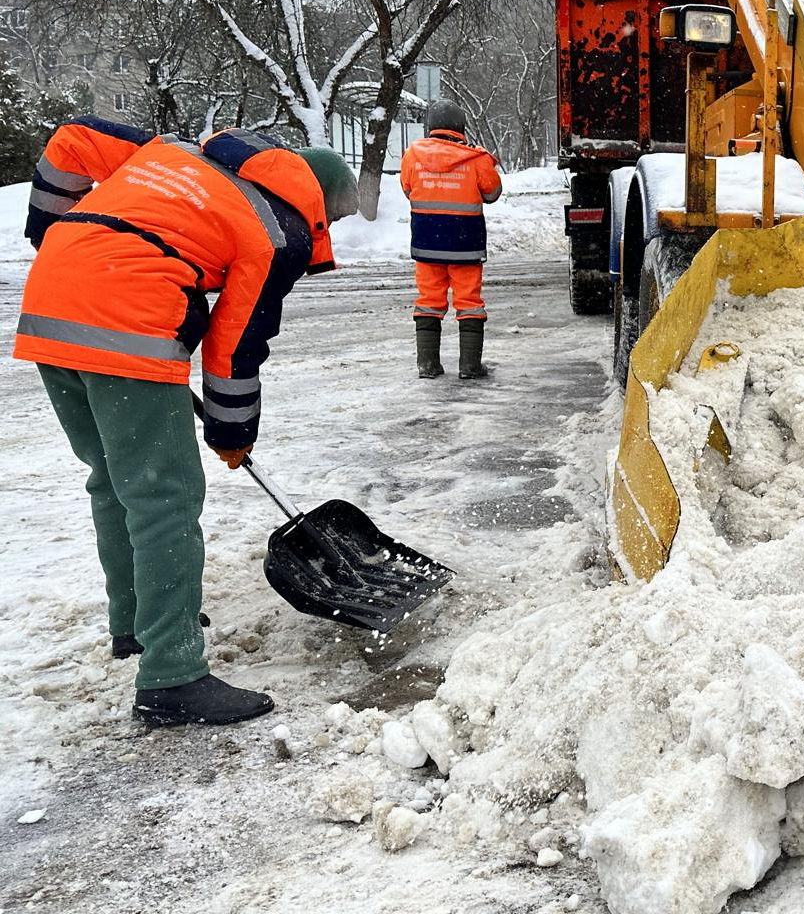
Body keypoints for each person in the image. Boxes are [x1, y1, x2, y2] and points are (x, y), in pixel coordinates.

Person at [15, 119, 357, 725]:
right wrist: (231, 430)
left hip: (49, 305)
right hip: (125, 319)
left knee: (114, 480)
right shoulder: (276, 230)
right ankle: (172, 675)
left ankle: (136, 625)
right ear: (319, 204)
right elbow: (236, 343)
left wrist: (52, 233)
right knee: (164, 499)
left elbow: (71, 139)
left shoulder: (175, 151)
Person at [401, 98, 502, 380]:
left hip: (427, 244)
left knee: (428, 300)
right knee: (469, 302)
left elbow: (408, 189)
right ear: (461, 126)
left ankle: (428, 365)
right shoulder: (476, 158)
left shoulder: (412, 155)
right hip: (465, 245)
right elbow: (492, 193)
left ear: (429, 126)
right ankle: (469, 366)